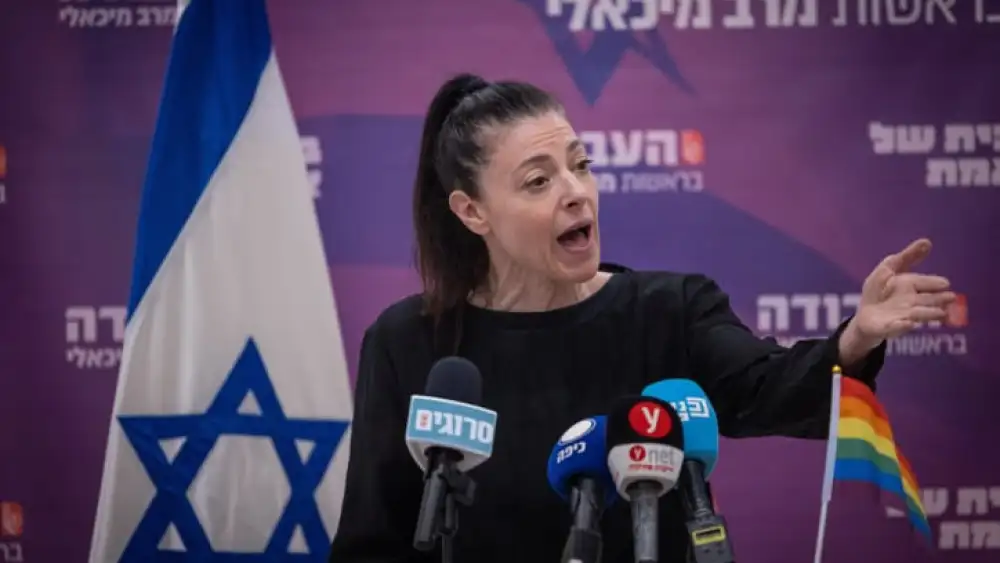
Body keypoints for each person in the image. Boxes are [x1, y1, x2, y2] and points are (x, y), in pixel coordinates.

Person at [326, 73, 956, 563]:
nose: (575, 191)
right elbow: (373, 540)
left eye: (579, 165)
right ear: (472, 213)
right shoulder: (409, 344)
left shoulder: (668, 312)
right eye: (538, 181)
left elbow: (770, 390)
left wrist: (858, 335)